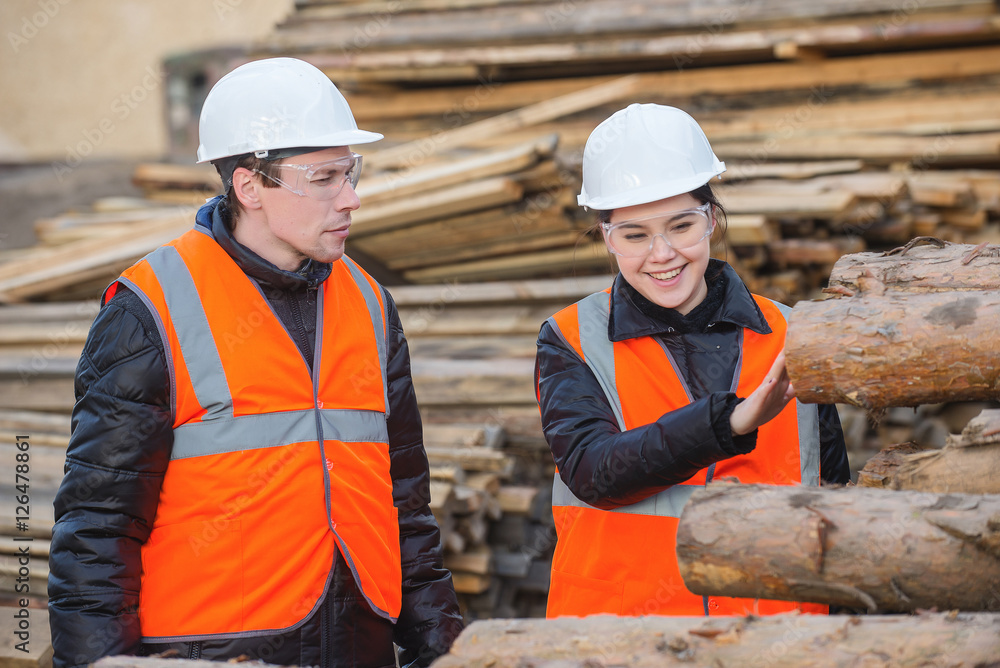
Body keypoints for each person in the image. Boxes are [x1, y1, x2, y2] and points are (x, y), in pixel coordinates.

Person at [48, 57, 463, 668]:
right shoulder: (152, 309)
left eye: (350, 173)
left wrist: (444, 652)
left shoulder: (371, 304)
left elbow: (406, 507)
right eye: (324, 178)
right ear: (249, 187)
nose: (351, 198)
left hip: (357, 644)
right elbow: (97, 529)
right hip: (208, 652)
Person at [534, 103, 851, 618]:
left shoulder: (795, 336)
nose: (661, 254)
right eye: (635, 235)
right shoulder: (571, 339)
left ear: (712, 221)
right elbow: (594, 471)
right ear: (606, 238)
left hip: (775, 640)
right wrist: (729, 421)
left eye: (681, 226)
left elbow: (836, 498)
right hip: (622, 641)